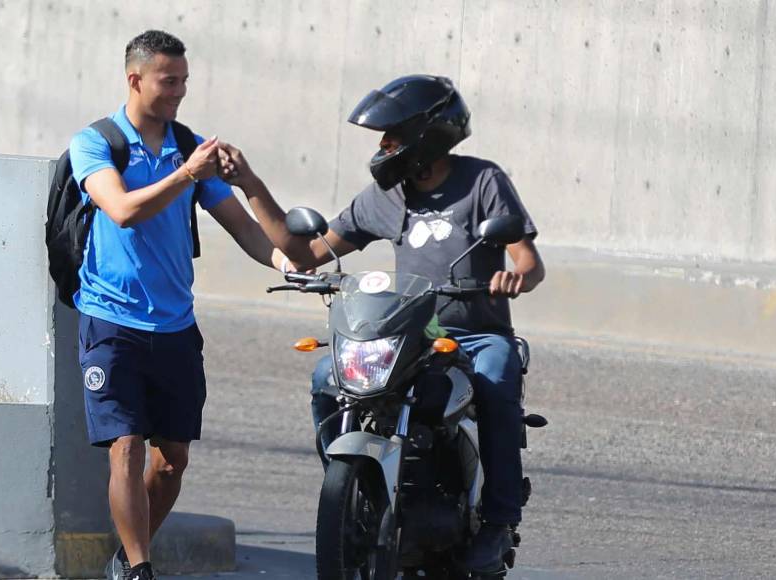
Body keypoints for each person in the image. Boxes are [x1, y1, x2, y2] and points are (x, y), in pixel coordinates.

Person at [217, 74, 545, 576]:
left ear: (425, 135)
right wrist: (251, 185)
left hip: (476, 334)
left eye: (390, 136)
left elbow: (529, 261)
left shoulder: (483, 182)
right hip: (411, 333)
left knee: (498, 377)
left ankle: (498, 521)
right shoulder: (383, 199)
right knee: (327, 376)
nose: (382, 147)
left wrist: (512, 276)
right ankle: (354, 488)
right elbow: (305, 252)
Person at [68, 30, 291, 580]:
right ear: (135, 79)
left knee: (172, 461)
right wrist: (186, 173)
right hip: (110, 319)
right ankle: (141, 569)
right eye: (169, 81)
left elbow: (242, 227)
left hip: (174, 326)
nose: (179, 92)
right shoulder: (97, 142)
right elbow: (120, 209)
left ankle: (126, 556)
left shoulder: (187, 144)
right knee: (125, 447)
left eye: (185, 82)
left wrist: (288, 264)